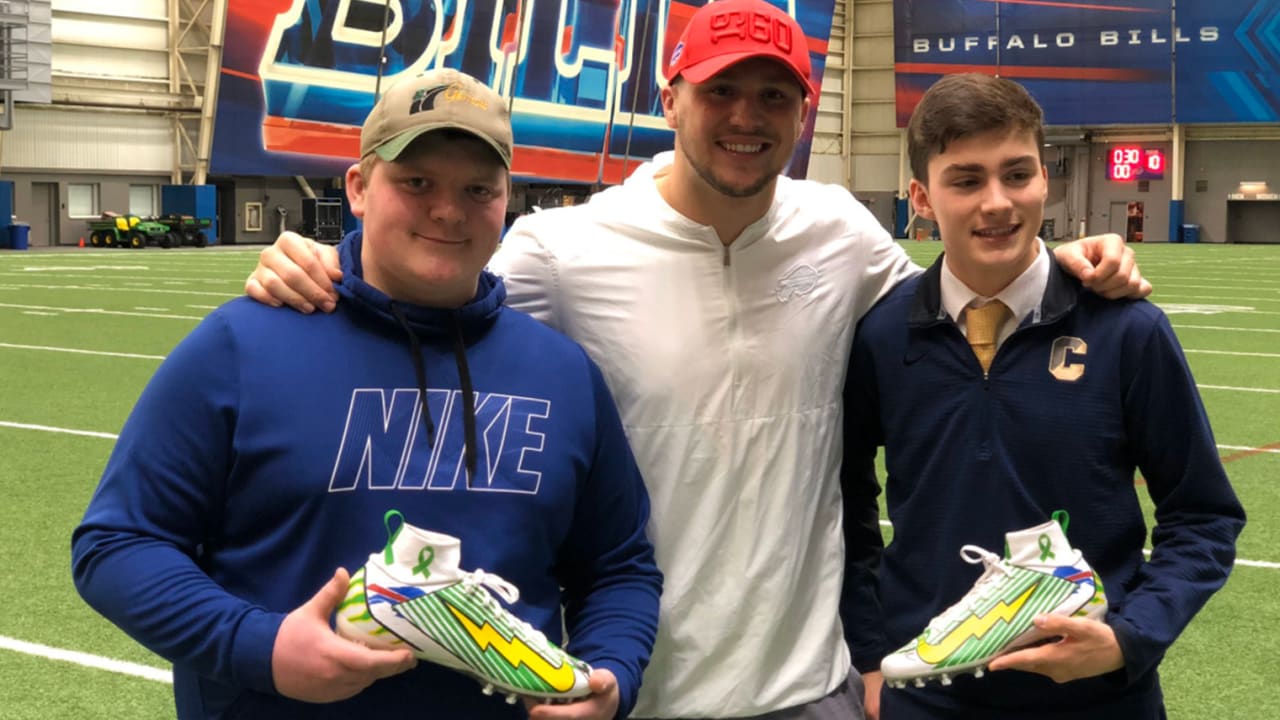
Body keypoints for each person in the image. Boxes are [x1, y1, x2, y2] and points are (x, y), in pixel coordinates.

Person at [244, 1, 1151, 717]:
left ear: (803, 112)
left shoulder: (839, 230)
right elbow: (425, 299)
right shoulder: (564, 248)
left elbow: (959, 291)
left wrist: (1070, 263)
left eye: (774, 96)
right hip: (629, 683)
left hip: (811, 685)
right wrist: (322, 263)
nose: (746, 118)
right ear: (671, 96)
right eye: (720, 91)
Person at [72, 68, 662, 720]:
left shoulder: (562, 373)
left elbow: (619, 567)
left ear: (506, 200)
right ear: (358, 186)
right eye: (417, 183)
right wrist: (260, 647)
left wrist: (610, 672)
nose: (447, 209)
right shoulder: (242, 346)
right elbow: (118, 546)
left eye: (477, 189)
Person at [840, 73, 1245, 719]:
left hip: (1097, 700)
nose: (997, 202)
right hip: (928, 696)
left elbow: (1202, 515)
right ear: (921, 196)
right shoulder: (883, 336)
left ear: (1045, 180)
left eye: (1017, 174)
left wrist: (1127, 638)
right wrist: (868, 657)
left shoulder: (1128, 330)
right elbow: (845, 508)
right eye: (966, 180)